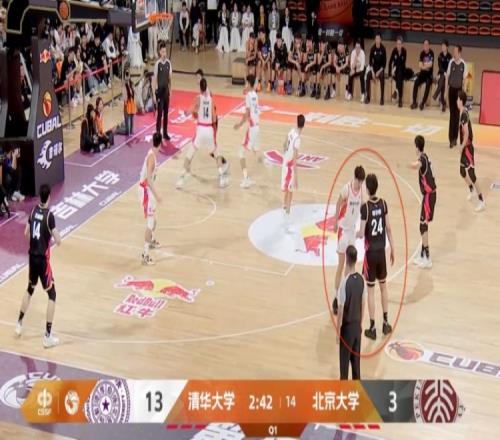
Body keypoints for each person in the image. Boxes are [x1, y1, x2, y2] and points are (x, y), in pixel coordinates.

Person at [15, 184, 61, 348]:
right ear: (49, 197)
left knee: (30, 289)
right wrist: (51, 239)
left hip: (32, 257)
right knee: (52, 295)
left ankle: (19, 323)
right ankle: (47, 336)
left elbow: (26, 232)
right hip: (42, 260)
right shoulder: (49, 216)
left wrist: (34, 244)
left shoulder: (33, 211)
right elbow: (58, 239)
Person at [357, 173, 395, 340]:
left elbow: (361, 232)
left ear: (367, 189)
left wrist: (355, 234)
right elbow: (389, 228)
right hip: (381, 252)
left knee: (371, 291)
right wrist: (392, 248)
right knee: (383, 287)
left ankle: (372, 327)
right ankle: (386, 323)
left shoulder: (365, 208)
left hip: (370, 254)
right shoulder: (383, 204)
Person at [176, 78, 229, 189]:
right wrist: (214, 131)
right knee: (217, 154)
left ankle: (181, 179)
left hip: (200, 129)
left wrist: (185, 112)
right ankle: (222, 178)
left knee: (189, 155)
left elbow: (189, 112)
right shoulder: (211, 100)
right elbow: (214, 118)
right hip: (209, 129)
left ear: (200, 88)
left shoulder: (197, 99)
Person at [333, 166, 366, 315]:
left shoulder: (362, 191)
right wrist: (335, 222)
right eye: (359, 181)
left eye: (362, 182)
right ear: (355, 178)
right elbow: (338, 203)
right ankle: (336, 297)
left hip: (352, 231)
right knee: (341, 265)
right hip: (343, 230)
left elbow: (363, 207)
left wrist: (362, 228)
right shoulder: (346, 189)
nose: (360, 184)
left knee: (350, 265)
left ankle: (344, 296)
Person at [336, 245, 365, 380]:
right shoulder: (361, 280)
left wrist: (338, 332)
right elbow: (363, 304)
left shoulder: (344, 283)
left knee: (344, 370)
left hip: (347, 329)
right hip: (357, 327)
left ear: (346, 259)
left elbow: (340, 311)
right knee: (356, 368)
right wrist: (360, 324)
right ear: (356, 259)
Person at [410, 136, 436, 269]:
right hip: (429, 196)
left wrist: (408, 164)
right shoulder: (426, 157)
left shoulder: (422, 159)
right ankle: (422, 255)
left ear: (417, 146)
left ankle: (427, 257)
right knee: (422, 225)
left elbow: (417, 165)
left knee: (423, 226)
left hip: (429, 196)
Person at [457, 91, 485, 212]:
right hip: (465, 148)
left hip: (468, 148)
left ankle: (482, 201)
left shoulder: (464, 114)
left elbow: (467, 133)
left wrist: (462, 146)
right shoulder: (462, 112)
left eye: (458, 99)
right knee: (462, 171)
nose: (456, 101)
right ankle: (471, 190)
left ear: (461, 101)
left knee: (472, 174)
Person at [139, 133, 163, 266]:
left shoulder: (153, 153)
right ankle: (145, 254)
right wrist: (157, 195)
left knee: (154, 220)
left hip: (148, 190)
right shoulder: (152, 158)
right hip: (146, 192)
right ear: (161, 143)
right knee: (150, 223)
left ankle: (151, 240)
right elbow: (148, 179)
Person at [233, 74, 260, 188]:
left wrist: (239, 125)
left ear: (248, 83)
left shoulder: (248, 95)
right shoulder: (255, 94)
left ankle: (246, 179)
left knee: (241, 152)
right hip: (257, 126)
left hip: (252, 127)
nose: (245, 84)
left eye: (246, 82)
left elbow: (247, 114)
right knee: (252, 150)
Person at [282, 114, 306, 233]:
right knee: (290, 191)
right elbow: (295, 160)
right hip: (290, 167)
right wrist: (296, 178)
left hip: (285, 163)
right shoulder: (297, 139)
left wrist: (286, 153)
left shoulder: (291, 131)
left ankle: (284, 207)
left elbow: (284, 144)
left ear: (297, 122)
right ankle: (287, 216)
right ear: (304, 125)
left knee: (287, 189)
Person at [447, 45, 467, 149]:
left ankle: (455, 138)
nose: (454, 53)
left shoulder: (463, 64)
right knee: (452, 114)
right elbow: (447, 76)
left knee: (457, 115)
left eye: (455, 51)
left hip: (459, 92)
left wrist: (463, 94)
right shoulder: (451, 62)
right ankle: (451, 139)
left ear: (459, 53)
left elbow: (465, 80)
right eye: (453, 51)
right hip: (451, 90)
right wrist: (445, 91)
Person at [153, 42, 172, 141]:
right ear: (160, 52)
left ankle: (165, 133)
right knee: (159, 114)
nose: (164, 53)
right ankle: (158, 133)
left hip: (166, 92)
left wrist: (171, 90)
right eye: (163, 51)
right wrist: (154, 94)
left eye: (165, 51)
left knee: (166, 114)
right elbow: (154, 79)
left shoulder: (168, 63)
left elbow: (170, 78)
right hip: (160, 93)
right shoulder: (158, 64)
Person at [411, 39, 434, 111]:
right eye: (424, 44)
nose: (425, 46)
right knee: (416, 82)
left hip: (429, 75)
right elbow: (420, 65)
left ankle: (423, 103)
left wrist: (424, 65)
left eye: (427, 44)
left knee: (428, 84)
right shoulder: (422, 53)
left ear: (429, 46)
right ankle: (414, 102)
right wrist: (425, 66)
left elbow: (430, 65)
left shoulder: (431, 53)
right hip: (422, 74)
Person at [365, 33, 386, 105]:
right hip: (374, 69)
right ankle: (368, 97)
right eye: (376, 39)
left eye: (378, 39)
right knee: (368, 75)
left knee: (382, 77)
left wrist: (379, 72)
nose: (377, 40)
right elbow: (370, 62)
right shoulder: (372, 48)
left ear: (380, 40)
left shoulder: (383, 49)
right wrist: (373, 72)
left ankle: (382, 98)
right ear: (375, 39)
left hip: (380, 69)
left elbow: (384, 64)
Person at [388, 36, 407, 108]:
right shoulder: (394, 51)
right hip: (396, 72)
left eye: (400, 44)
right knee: (399, 79)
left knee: (400, 75)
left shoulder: (404, 51)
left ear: (402, 45)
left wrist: (395, 68)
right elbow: (390, 62)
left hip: (402, 69)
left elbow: (402, 64)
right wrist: (390, 74)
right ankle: (400, 99)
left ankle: (396, 91)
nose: (398, 45)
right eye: (397, 44)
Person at [433, 40, 451, 112]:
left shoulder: (449, 56)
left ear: (447, 47)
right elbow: (440, 66)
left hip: (447, 75)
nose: (442, 47)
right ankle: (444, 104)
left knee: (442, 81)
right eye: (442, 46)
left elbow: (449, 67)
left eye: (444, 46)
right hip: (441, 74)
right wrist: (444, 73)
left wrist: (446, 73)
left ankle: (436, 94)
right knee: (442, 83)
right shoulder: (440, 55)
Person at [256, 27, 271, 92]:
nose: (261, 36)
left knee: (269, 63)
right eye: (260, 34)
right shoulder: (259, 42)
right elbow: (259, 54)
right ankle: (259, 83)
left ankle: (269, 83)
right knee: (259, 63)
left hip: (267, 57)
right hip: (261, 58)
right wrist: (262, 61)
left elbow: (269, 54)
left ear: (265, 34)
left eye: (262, 34)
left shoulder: (268, 40)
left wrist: (265, 61)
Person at [123, 69, 136, 136]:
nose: (127, 76)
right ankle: (118, 130)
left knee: (132, 121)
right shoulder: (124, 85)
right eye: (126, 74)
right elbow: (125, 97)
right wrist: (126, 84)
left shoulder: (132, 83)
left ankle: (130, 129)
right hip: (127, 104)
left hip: (132, 103)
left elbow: (135, 93)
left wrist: (132, 88)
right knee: (127, 131)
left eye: (128, 74)